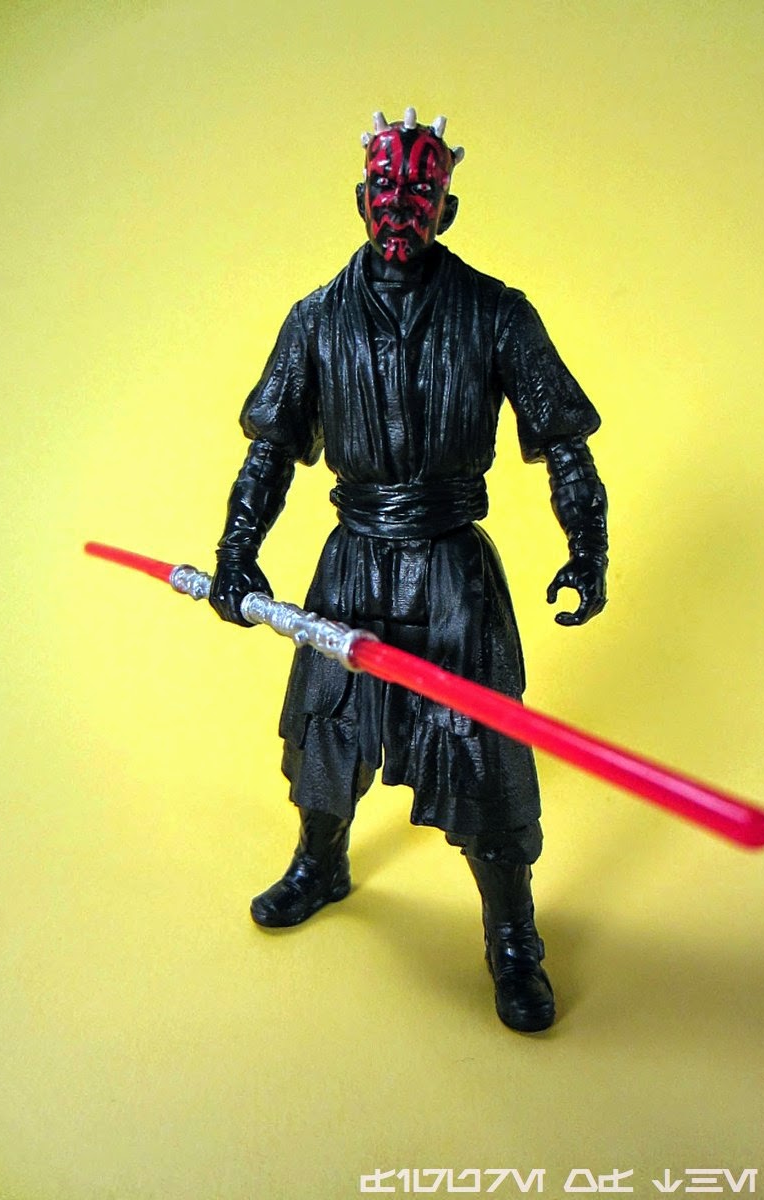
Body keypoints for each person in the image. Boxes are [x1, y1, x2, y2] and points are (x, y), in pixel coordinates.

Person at [209, 108, 608, 1033]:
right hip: (352, 563)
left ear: (447, 209)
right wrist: (236, 551)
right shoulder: (316, 318)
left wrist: (588, 547)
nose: (399, 207)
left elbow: (563, 442)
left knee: (483, 750)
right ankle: (322, 862)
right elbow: (271, 449)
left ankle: (512, 936)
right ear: (361, 198)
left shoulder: (496, 313)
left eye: (419, 193)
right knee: (326, 725)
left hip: (452, 574)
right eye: (385, 189)